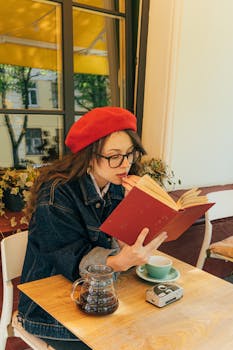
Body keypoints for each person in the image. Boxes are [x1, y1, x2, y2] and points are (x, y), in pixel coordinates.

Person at [18, 107, 167, 349]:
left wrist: (139, 207)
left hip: (101, 295)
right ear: (88, 156)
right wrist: (120, 262)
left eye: (130, 154)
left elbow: (120, 243)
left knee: (156, 328)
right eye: (114, 155)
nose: (125, 164)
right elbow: (72, 259)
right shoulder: (56, 193)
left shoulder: (117, 184)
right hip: (47, 311)